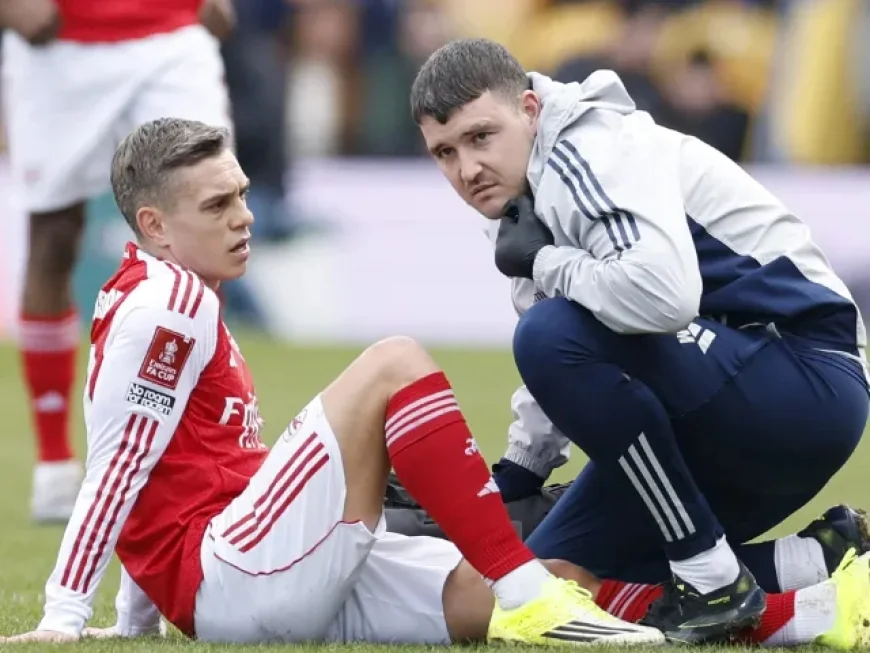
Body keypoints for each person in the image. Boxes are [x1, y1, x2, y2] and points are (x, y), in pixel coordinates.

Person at [0, 118, 665, 647]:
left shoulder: (161, 293)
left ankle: (764, 607)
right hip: (236, 574)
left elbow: (160, 472)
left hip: (250, 579)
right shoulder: (172, 307)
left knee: (514, 585)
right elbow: (120, 467)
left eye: (241, 192)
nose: (245, 215)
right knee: (394, 362)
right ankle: (525, 588)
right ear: (155, 227)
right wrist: (65, 612)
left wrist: (136, 621)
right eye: (218, 204)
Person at [410, 38, 870, 643]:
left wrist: (546, 263)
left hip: (805, 380)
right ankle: (818, 562)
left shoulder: (587, 153)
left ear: (528, 109)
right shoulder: (524, 195)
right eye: (445, 152)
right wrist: (519, 475)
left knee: (550, 335)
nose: (466, 169)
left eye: (479, 137)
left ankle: (710, 576)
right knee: (554, 580)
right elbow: (571, 331)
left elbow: (662, 297)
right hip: (725, 396)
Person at [0, 0, 235, 523]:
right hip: (60, 42)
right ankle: (55, 465)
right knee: (54, 236)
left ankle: (204, 456)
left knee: (206, 225)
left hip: (171, 33)